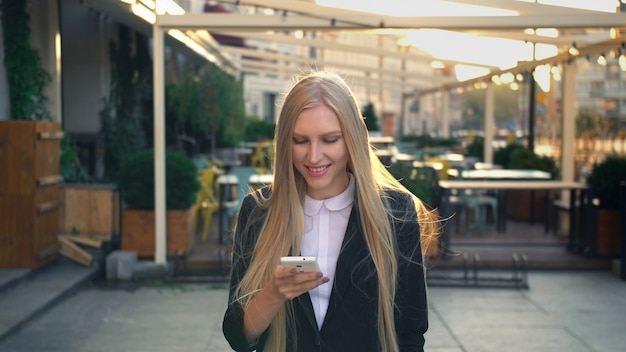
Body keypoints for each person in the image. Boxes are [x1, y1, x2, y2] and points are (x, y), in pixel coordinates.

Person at [223, 71, 439, 352]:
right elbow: (238, 338)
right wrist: (273, 294)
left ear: (355, 138)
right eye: (300, 140)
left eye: (330, 140)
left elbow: (410, 333)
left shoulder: (396, 213)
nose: (313, 156)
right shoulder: (258, 212)